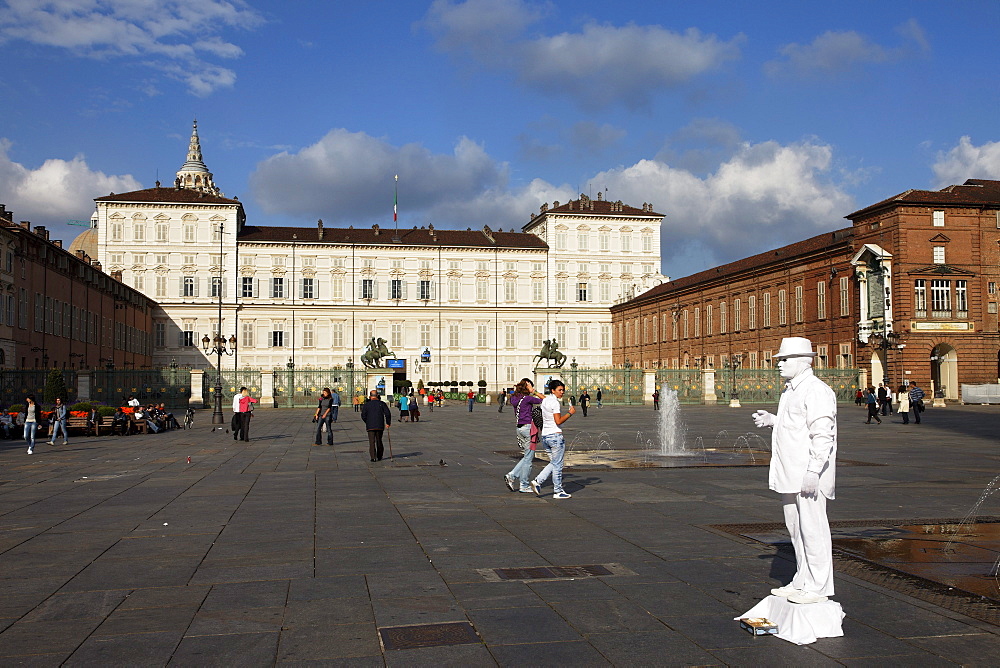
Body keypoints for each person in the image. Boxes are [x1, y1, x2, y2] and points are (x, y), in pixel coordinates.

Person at [751, 337, 837, 605]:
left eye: (784, 360)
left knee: (813, 528)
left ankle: (819, 585)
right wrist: (773, 421)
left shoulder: (816, 390)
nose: (779, 364)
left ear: (802, 361)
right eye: (779, 360)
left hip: (807, 474)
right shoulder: (791, 390)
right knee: (796, 528)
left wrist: (814, 471)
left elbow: (823, 434)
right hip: (790, 472)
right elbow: (795, 424)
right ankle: (803, 579)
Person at [530, 379, 576, 499]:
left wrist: (534, 392)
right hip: (555, 436)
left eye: (563, 390)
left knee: (554, 463)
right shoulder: (555, 403)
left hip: (545, 436)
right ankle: (556, 490)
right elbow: (558, 421)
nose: (562, 392)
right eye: (560, 390)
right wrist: (570, 413)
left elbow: (542, 396)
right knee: (557, 464)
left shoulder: (546, 400)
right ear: (553, 390)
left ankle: (541, 483)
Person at [505, 378, 543, 493]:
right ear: (527, 387)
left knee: (527, 456)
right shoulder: (527, 398)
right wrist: (534, 391)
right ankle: (522, 483)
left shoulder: (514, 398)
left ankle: (513, 476)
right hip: (528, 429)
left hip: (519, 428)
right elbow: (545, 400)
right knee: (528, 459)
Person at [361, 390, 391, 461]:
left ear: (370, 396)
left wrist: (367, 421)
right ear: (377, 395)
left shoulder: (366, 405)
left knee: (371, 442)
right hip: (379, 424)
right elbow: (387, 414)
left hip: (370, 425)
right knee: (379, 440)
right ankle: (379, 456)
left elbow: (363, 415)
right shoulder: (382, 403)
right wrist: (388, 423)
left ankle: (373, 457)